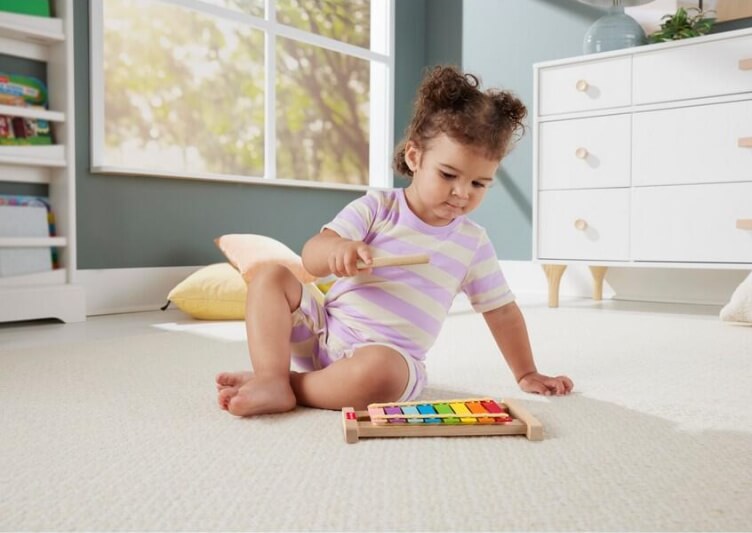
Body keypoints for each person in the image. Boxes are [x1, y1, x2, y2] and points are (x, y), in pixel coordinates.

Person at [216, 65, 574, 416]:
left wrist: (526, 373)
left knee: (382, 375)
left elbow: (502, 312)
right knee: (270, 277)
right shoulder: (378, 207)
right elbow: (311, 256)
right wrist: (338, 250)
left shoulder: (472, 244)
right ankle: (270, 375)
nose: (462, 193)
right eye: (448, 174)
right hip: (323, 331)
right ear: (415, 156)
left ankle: (287, 385)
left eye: (479, 184)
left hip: (386, 358)